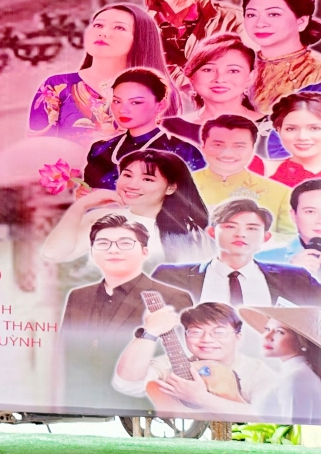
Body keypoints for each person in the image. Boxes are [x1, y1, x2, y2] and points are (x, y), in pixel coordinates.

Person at [60, 214, 194, 409]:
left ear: (144, 251)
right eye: (103, 243)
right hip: (82, 400)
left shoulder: (172, 297)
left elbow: (183, 360)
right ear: (92, 251)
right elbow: (67, 354)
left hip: (140, 404)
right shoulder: (78, 295)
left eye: (125, 243)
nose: (113, 250)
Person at [27, 3, 172, 144]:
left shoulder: (158, 93)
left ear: (141, 39)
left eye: (119, 27)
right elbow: (39, 150)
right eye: (98, 25)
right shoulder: (55, 87)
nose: (103, 33)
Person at [43, 149, 212, 266]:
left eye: (147, 179)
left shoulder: (190, 231)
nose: (132, 185)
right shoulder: (102, 218)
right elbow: (53, 254)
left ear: (170, 188)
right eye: (127, 175)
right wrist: (80, 206)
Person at [113, 302, 275, 416]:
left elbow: (267, 414)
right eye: (196, 332)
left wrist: (201, 398)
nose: (207, 339)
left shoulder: (257, 372)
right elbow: (127, 384)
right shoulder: (169, 365)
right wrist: (150, 331)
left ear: (238, 337)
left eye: (219, 332)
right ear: (185, 336)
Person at [152, 198, 321, 306]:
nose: (241, 234)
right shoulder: (169, 276)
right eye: (230, 227)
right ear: (212, 232)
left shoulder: (296, 278)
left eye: (252, 228)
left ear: (266, 237)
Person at [161, 33, 284, 161]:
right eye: (208, 70)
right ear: (191, 76)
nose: (220, 79)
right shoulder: (168, 128)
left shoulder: (275, 129)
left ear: (250, 77)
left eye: (233, 71)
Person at [83, 68, 204, 191]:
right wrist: (83, 194)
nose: (122, 110)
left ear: (160, 105)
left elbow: (196, 196)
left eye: (135, 102)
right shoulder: (100, 149)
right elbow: (88, 190)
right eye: (117, 101)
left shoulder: (183, 151)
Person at [191, 115, 295, 237]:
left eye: (239, 146)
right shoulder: (180, 186)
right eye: (218, 145)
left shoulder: (281, 193)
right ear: (203, 147)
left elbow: (290, 240)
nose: (228, 154)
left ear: (252, 149)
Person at [242, 0, 321, 115]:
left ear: (301, 21)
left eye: (273, 14)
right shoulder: (238, 64)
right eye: (251, 14)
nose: (260, 23)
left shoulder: (316, 71)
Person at [239, 306, 321, 424]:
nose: (267, 336)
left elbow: (295, 429)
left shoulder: (297, 378)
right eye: (267, 329)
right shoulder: (296, 373)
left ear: (301, 341)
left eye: (280, 332)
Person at [256, 178, 321, 280]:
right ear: (293, 215)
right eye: (310, 211)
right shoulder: (262, 260)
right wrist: (289, 274)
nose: (319, 220)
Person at [266, 93, 321, 187]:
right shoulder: (264, 170)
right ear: (279, 130)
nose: (302, 137)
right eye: (291, 129)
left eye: (314, 128)